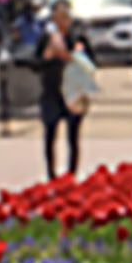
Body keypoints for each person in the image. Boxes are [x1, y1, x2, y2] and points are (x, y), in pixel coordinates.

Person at [37, 12, 88, 178]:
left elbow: (91, 63)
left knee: (73, 137)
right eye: (59, 18)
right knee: (50, 135)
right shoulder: (47, 39)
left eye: (65, 18)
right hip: (51, 92)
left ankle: (71, 172)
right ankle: (51, 173)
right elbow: (35, 62)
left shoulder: (78, 38)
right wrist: (47, 57)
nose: (62, 22)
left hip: (73, 93)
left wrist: (71, 56)